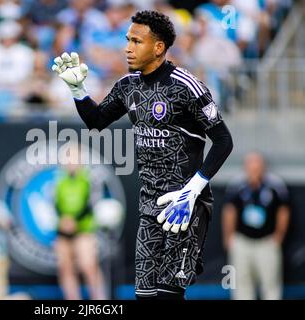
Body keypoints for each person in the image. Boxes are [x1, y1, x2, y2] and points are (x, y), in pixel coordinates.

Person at [52, 10, 233, 300]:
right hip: (149, 207)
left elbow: (224, 141)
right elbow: (97, 121)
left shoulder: (187, 87)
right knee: (145, 296)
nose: (127, 47)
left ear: (158, 47)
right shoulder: (128, 85)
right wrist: (77, 90)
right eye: (127, 40)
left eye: (136, 41)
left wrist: (192, 191)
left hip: (185, 205)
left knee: (168, 296)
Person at [222, 152, 290, 300]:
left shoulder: (275, 184)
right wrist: (229, 238)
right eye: (250, 163)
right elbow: (229, 211)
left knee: (271, 283)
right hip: (242, 241)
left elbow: (283, 211)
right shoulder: (237, 184)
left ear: (263, 166)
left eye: (257, 163)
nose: (254, 167)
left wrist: (278, 236)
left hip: (267, 241)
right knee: (241, 283)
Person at [53, 146, 107, 300]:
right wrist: (63, 220)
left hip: (84, 231)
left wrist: (75, 221)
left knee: (88, 266)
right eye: (68, 158)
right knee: (65, 269)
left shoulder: (90, 179)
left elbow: (93, 204)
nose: (71, 162)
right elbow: (56, 205)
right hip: (63, 232)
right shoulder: (60, 181)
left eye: (74, 158)